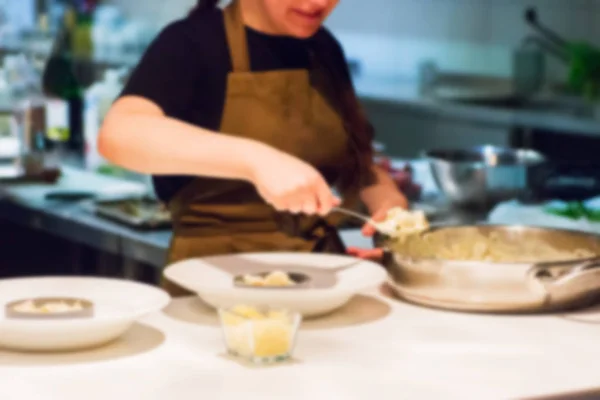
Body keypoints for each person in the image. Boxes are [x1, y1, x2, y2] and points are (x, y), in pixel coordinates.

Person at [98, 0, 408, 295]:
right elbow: (119, 134)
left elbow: (358, 159)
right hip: (215, 288)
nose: (318, 3)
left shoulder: (323, 47)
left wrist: (387, 200)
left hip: (322, 278)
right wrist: (256, 160)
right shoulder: (192, 42)